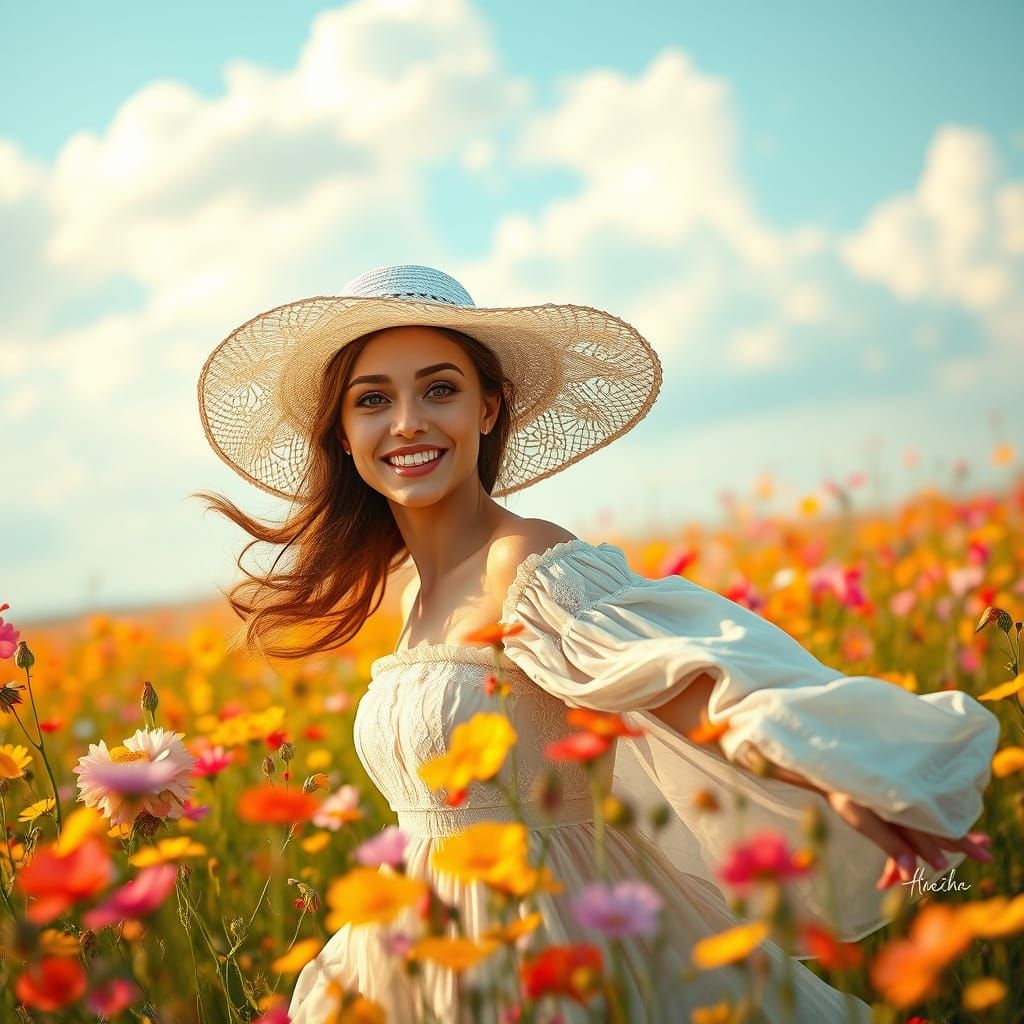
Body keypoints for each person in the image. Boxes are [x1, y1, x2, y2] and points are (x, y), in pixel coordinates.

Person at [195, 264, 999, 1022]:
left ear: (488, 407)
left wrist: (827, 772)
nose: (407, 422)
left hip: (556, 942)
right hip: (425, 953)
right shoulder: (413, 595)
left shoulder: (528, 562)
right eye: (373, 399)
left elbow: (687, 686)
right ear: (341, 431)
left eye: (439, 389)